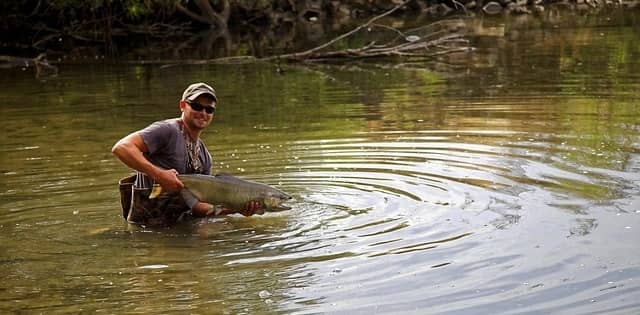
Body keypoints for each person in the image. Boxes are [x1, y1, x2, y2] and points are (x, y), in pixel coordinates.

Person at [112, 82, 262, 226]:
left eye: (209, 110)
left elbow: (198, 206)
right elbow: (122, 147)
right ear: (182, 105)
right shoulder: (167, 130)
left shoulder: (205, 157)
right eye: (197, 106)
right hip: (144, 229)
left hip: (179, 227)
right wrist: (159, 175)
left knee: (221, 231)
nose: (203, 113)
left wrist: (236, 209)